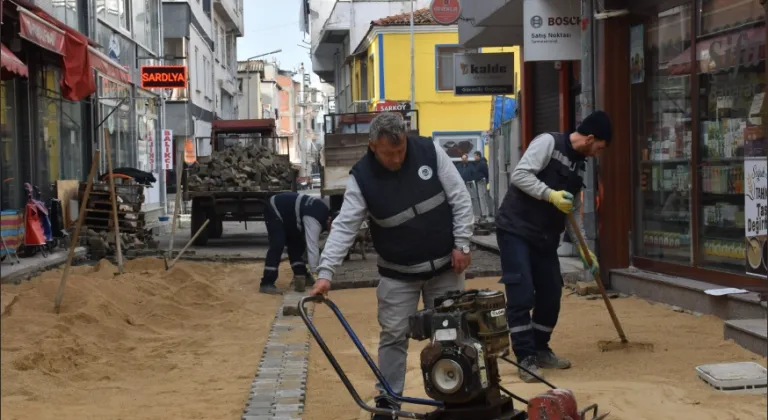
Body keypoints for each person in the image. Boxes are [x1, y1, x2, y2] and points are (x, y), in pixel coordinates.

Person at [309, 112, 474, 419]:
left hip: (445, 267)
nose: (397, 159)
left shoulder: (428, 151)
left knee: (450, 332)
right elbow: (345, 227)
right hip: (398, 274)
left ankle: (453, 397)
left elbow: (460, 198)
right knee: (394, 335)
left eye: (401, 151)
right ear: (373, 147)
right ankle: (388, 401)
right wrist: (325, 273)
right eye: (389, 153)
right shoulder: (362, 178)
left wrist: (462, 243)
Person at [494, 110, 612, 383]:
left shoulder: (580, 164)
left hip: (545, 237)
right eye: (599, 147)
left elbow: (571, 208)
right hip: (516, 229)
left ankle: (540, 347)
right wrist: (550, 195)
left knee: (551, 293)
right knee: (521, 291)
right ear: (591, 138)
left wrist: (585, 250)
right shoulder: (548, 143)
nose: (598, 153)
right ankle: (525, 358)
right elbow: (520, 175)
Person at [259, 192, 331, 295]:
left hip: (290, 216)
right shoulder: (314, 219)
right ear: (329, 219)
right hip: (275, 208)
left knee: (296, 244)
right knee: (278, 243)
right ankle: (267, 283)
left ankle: (301, 275)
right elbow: (312, 247)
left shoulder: (324, 213)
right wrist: (316, 274)